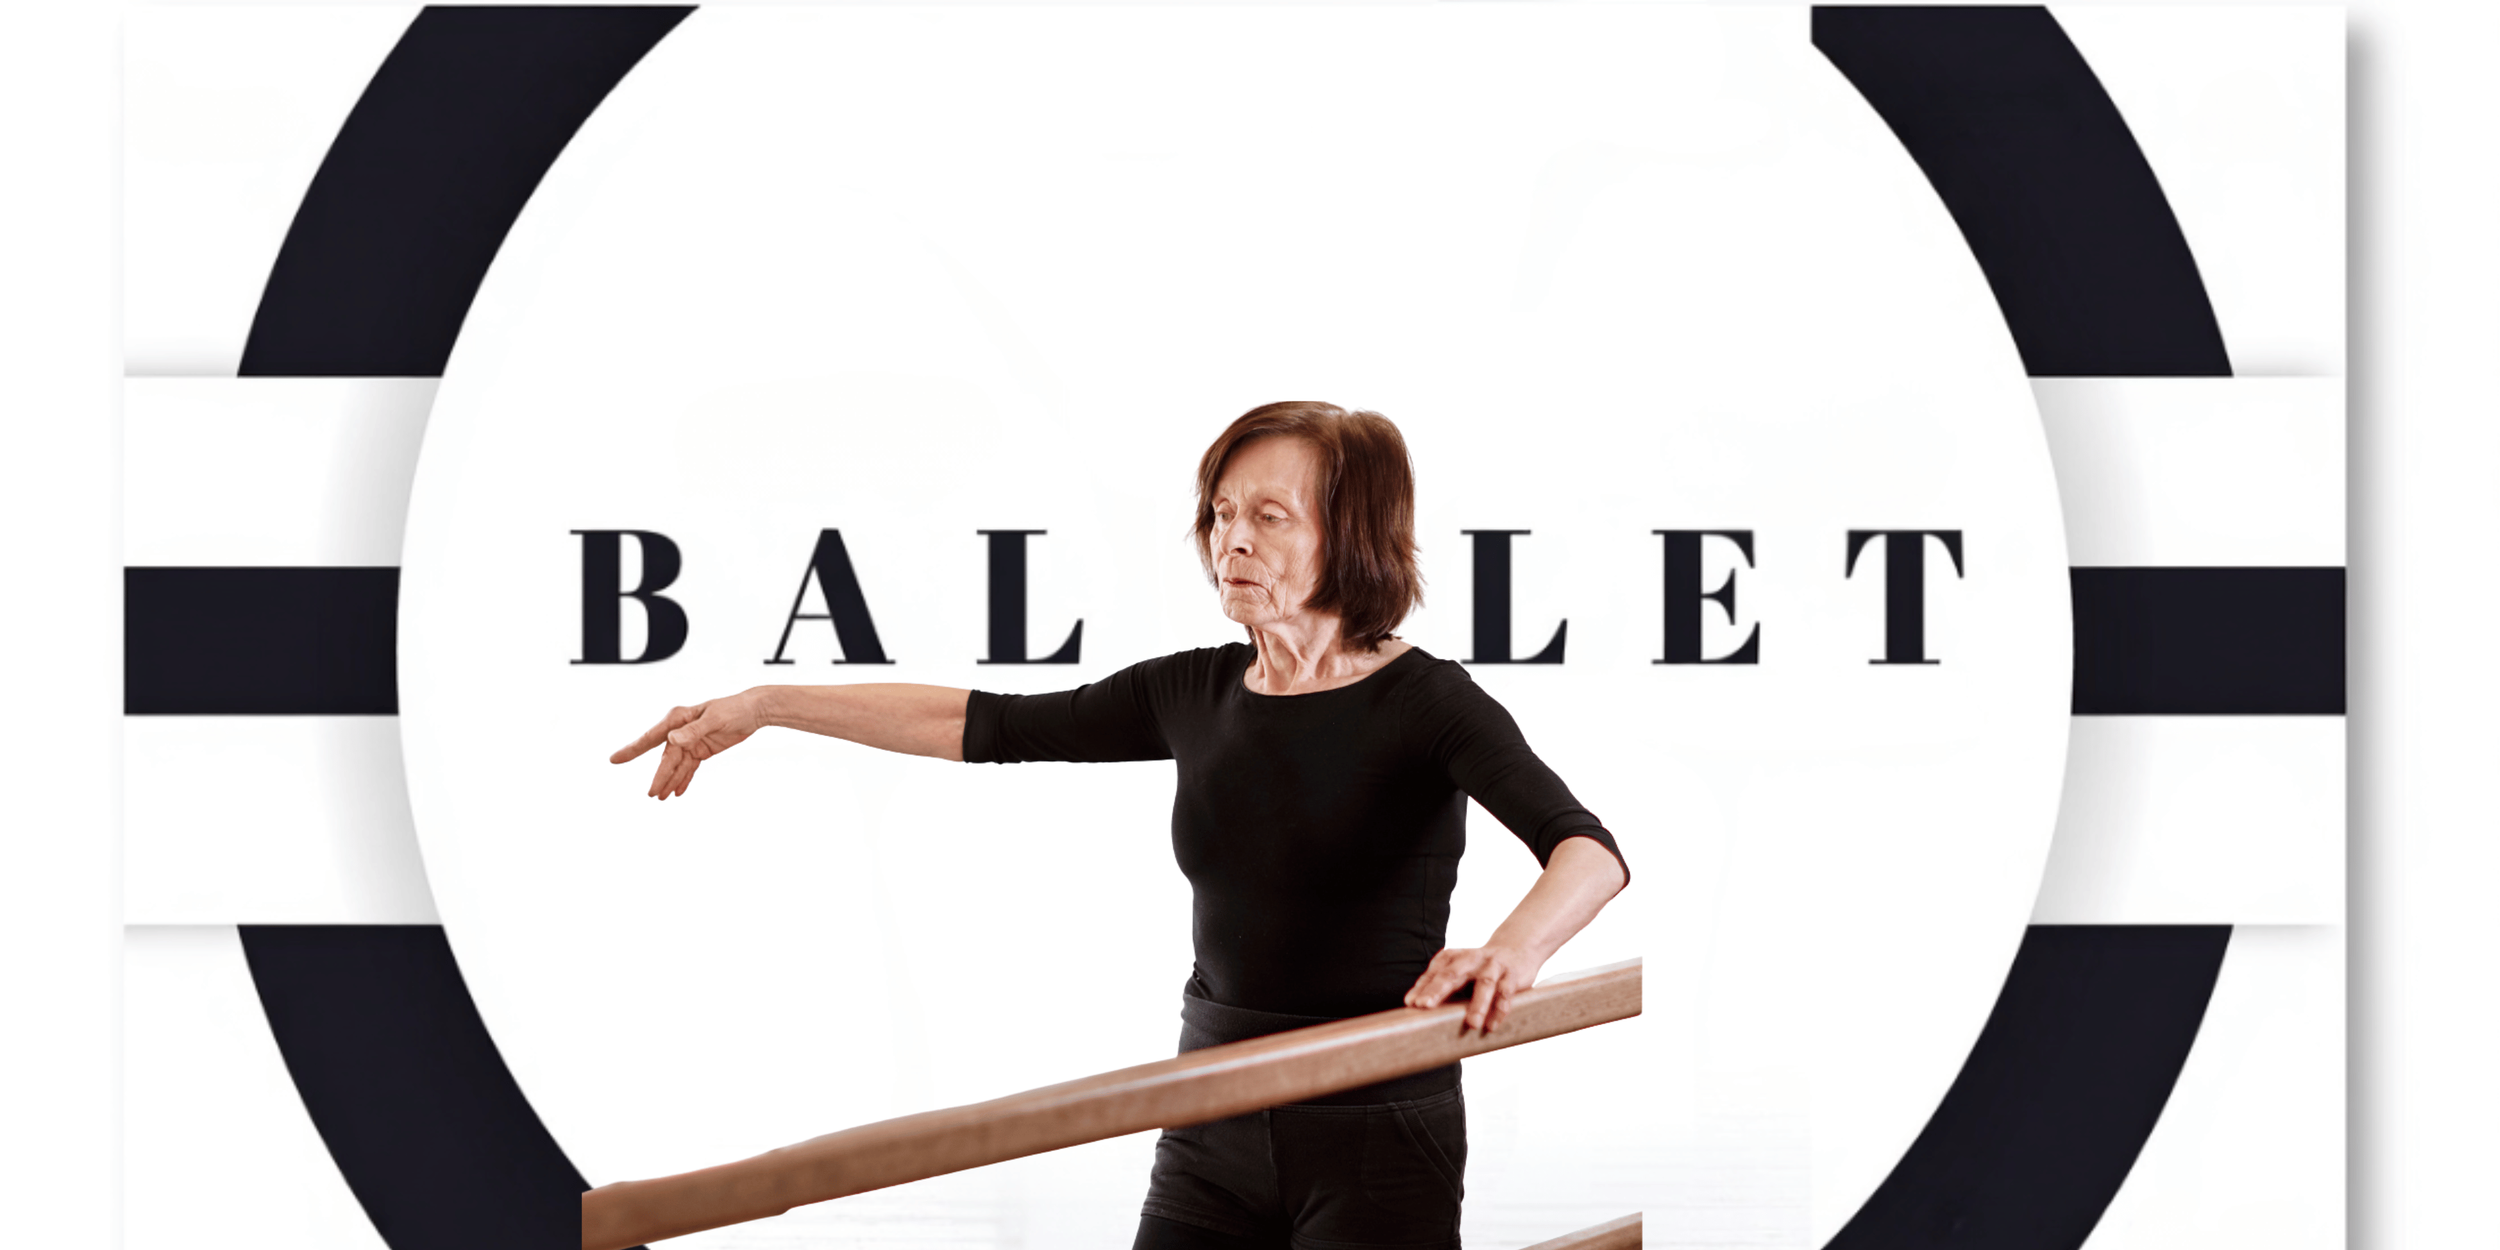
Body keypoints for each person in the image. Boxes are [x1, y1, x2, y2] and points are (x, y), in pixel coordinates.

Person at [613, 401, 1630, 1250]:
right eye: (1221, 511)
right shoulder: (1193, 690)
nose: (1231, 537)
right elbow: (981, 722)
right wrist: (769, 704)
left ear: (1350, 536)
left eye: (1269, 515)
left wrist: (1509, 949)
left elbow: (1585, 849)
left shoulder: (1425, 703)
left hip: (1373, 1112)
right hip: (1210, 1099)